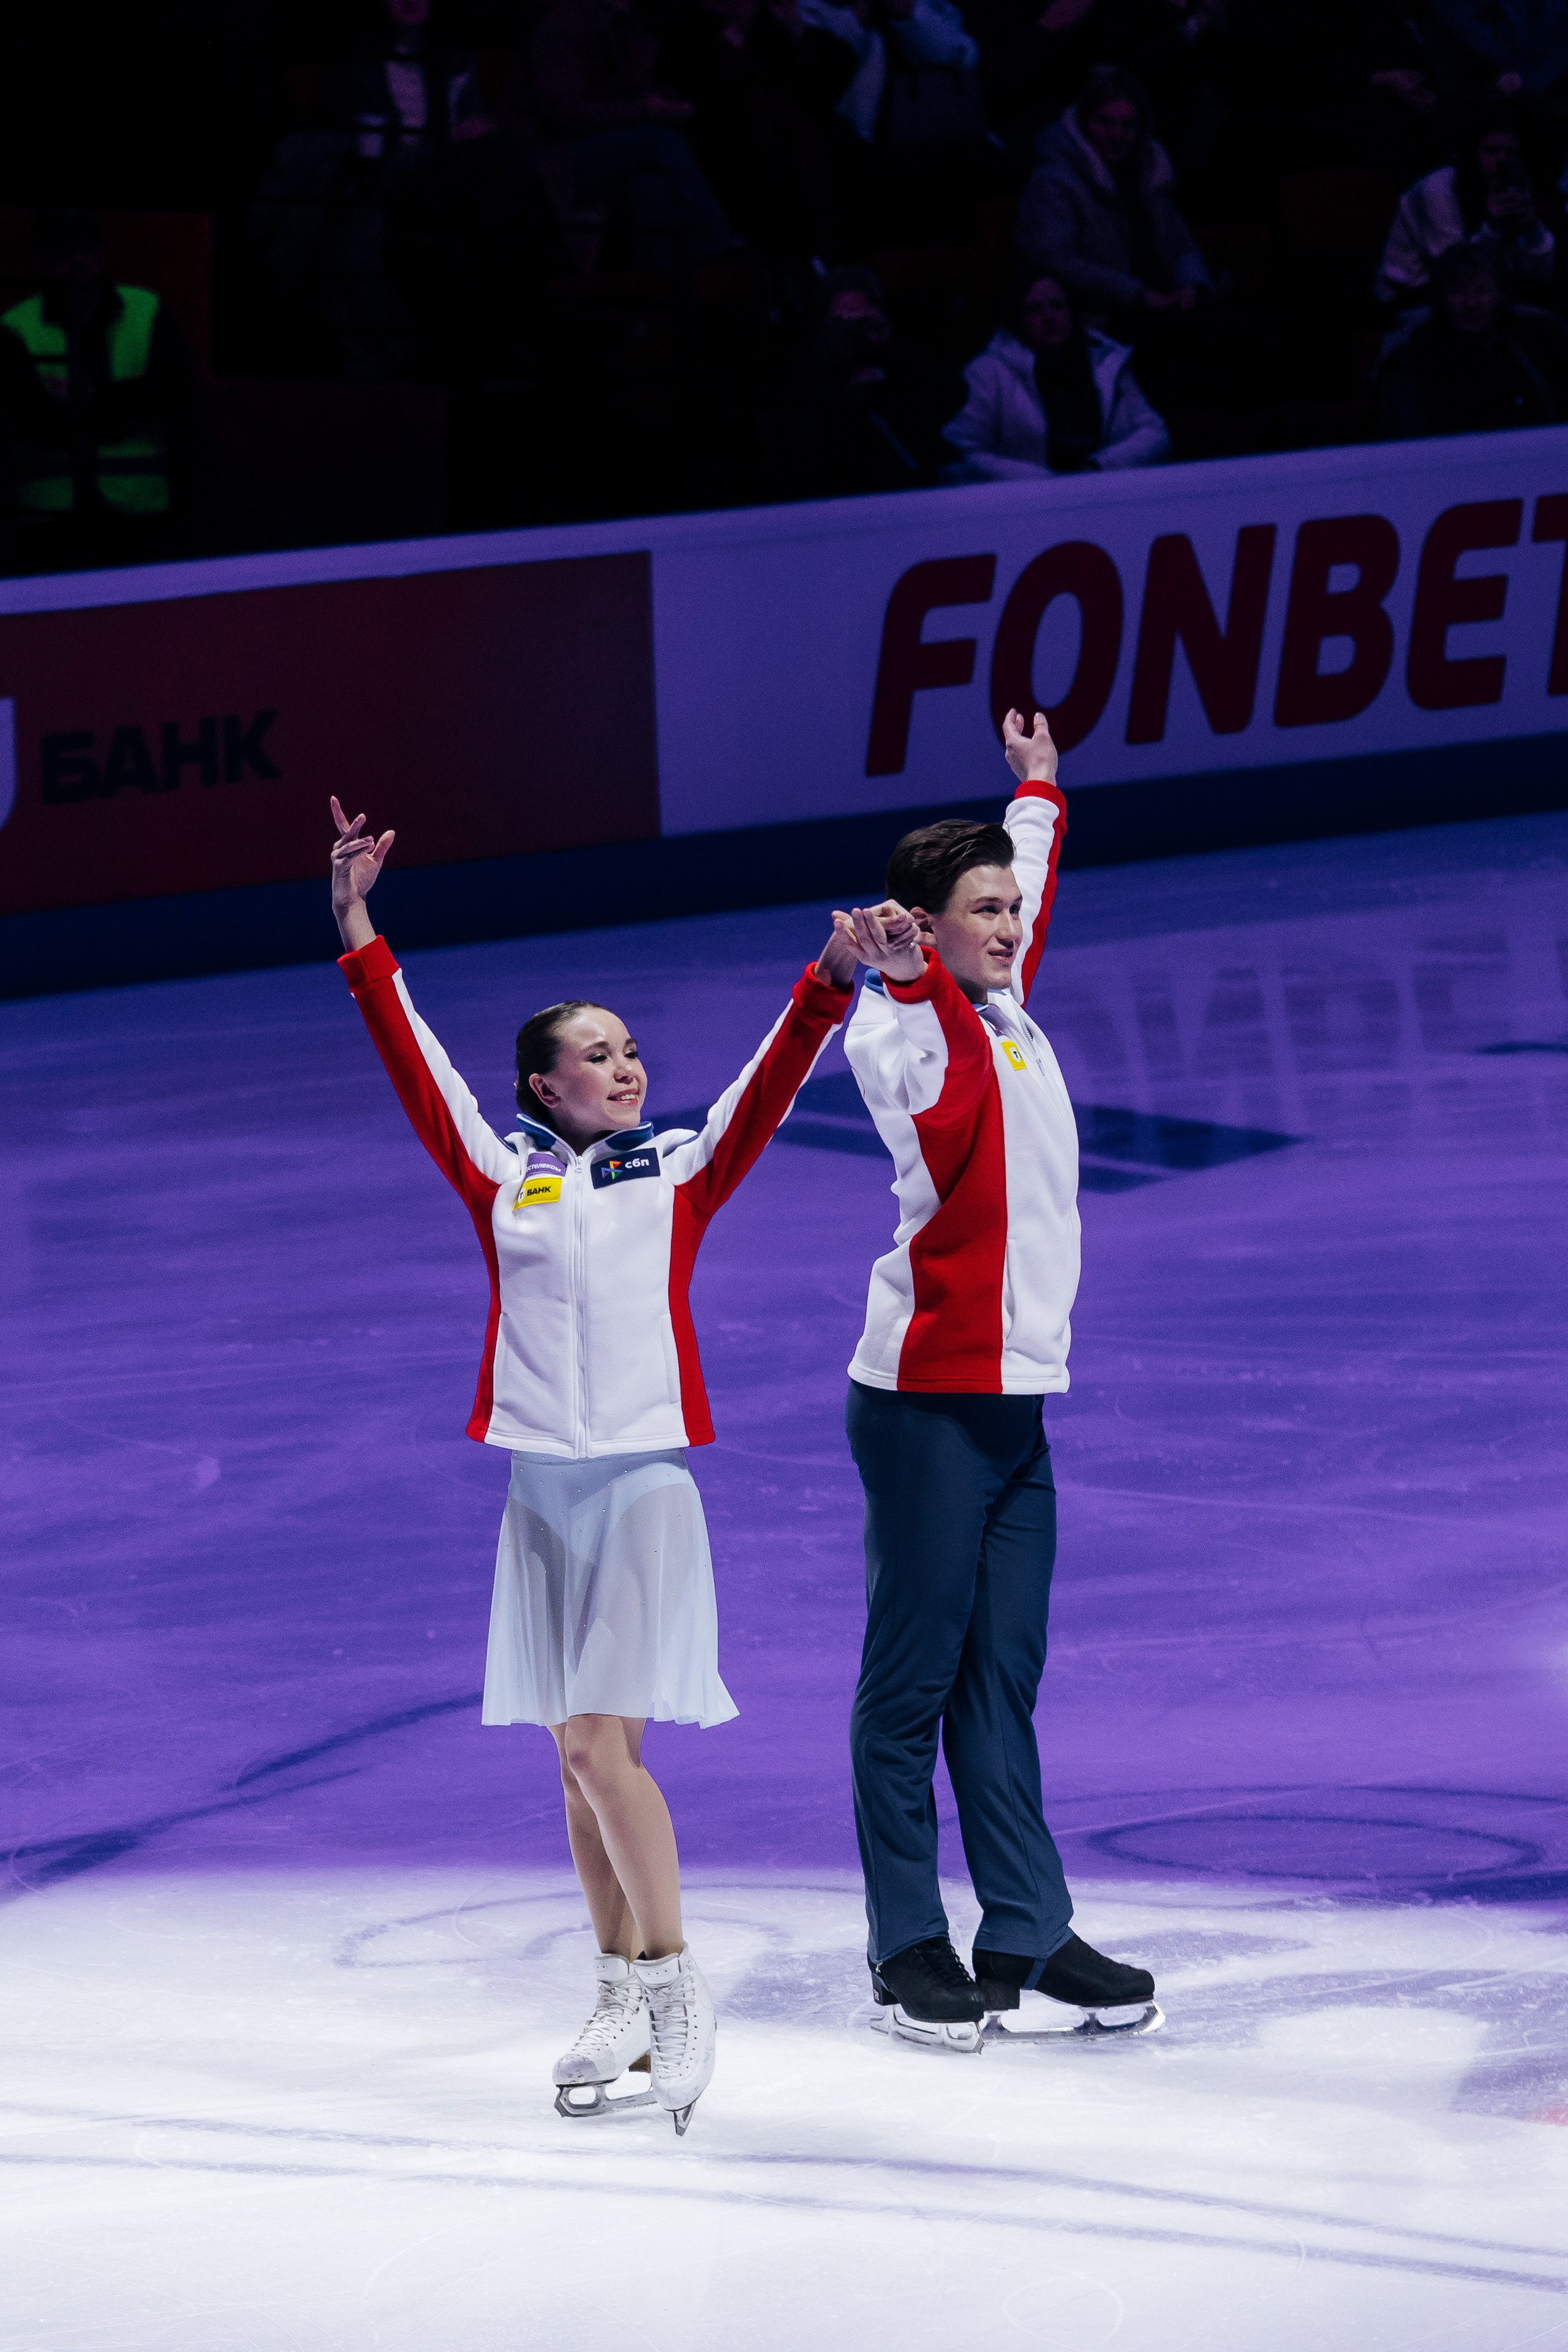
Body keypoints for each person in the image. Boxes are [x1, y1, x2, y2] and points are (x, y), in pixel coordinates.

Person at [326, 794, 856, 2130]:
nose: (624, 1069)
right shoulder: (502, 1181)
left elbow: (764, 1085)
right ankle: (616, 1988)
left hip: (636, 1489)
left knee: (601, 1754)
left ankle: (674, 1989)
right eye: (596, 1056)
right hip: (539, 1494)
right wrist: (357, 927)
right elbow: (417, 1069)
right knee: (570, 1764)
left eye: (628, 1052)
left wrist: (827, 982)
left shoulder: (672, 1174)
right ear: (540, 1087)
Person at [828, 710, 1161, 2052]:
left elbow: (1017, 879)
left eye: (1014, 908)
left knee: (998, 1679)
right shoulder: (896, 1037)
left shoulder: (1004, 1003)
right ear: (925, 927)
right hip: (924, 1408)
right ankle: (905, 1941)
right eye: (983, 913)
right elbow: (948, 1105)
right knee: (909, 1684)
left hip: (1015, 1403)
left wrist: (1036, 790)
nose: (1012, 925)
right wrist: (908, 979)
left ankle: (1022, 1924)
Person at [0, 209, 197, 572]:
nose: (76, 260)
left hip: (138, 511)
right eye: (62, 251)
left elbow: (173, 391)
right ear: (41, 260)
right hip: (52, 515)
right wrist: (118, 405)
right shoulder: (15, 325)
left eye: (85, 248)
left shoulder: (147, 310)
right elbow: (27, 416)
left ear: (101, 252)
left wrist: (85, 399)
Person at [1015, 65, 1212, 338]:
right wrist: (1137, 295)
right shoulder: (1054, 182)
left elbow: (1181, 244)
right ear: (1084, 124)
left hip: (1164, 306)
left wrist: (1192, 284)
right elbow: (1056, 261)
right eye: (1105, 123)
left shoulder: (1149, 173)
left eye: (1127, 125)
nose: (1117, 136)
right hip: (1102, 321)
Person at [943, 270, 1169, 478]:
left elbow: (1154, 433)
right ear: (1016, 317)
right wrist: (1042, 482)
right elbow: (959, 451)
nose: (1049, 317)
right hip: (1021, 504)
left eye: (1058, 305)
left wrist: (1097, 468)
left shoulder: (1106, 360)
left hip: (1102, 492)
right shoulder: (988, 371)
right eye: (1034, 310)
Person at [785, 265, 966, 493]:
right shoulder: (805, 370)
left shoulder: (895, 359)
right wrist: (848, 397)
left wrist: (890, 344)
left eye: (860, 318)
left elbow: (953, 394)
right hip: (838, 493)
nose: (850, 329)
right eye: (841, 320)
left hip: (909, 490)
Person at [1377, 239, 1568, 437]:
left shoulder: (1536, 340)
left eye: (1482, 291)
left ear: (1500, 294)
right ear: (1441, 297)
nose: (1471, 303)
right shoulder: (1417, 358)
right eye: (1458, 292)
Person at [1376, 110, 1557, 306]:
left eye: (1511, 153)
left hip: (1483, 295)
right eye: (1491, 151)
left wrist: (1532, 228)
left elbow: (1540, 276)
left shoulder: (1515, 188)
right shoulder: (1439, 186)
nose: (1502, 160)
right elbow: (1455, 271)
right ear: (1473, 152)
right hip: (1413, 293)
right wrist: (1493, 226)